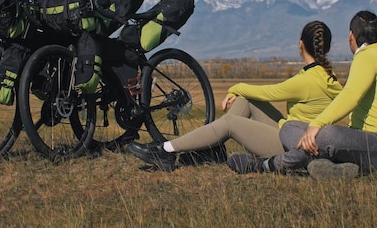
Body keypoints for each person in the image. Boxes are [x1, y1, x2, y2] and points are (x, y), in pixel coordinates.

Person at [128, 21, 343, 172]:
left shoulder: (306, 80)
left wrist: (236, 86)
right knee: (247, 100)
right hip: (299, 135)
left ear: (300, 44)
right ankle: (211, 149)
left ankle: (166, 151)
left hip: (293, 146)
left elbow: (270, 92)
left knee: (231, 121)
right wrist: (240, 92)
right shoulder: (327, 76)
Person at [294, 10, 377, 179]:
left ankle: (282, 160)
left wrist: (316, 124)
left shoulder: (367, 56)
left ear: (351, 35)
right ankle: (344, 169)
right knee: (316, 134)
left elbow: (351, 95)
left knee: (324, 134)